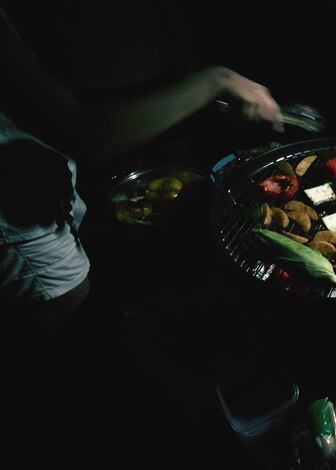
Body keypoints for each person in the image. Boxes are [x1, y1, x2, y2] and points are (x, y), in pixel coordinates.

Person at [0, 4, 286, 455]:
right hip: (15, 214)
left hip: (34, 180)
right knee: (84, 353)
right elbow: (86, 133)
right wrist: (217, 78)